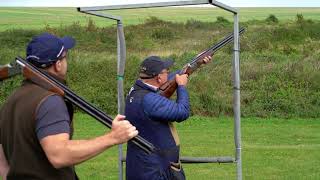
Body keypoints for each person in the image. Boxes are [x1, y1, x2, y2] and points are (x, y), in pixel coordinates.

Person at [0, 33, 138, 180]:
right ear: (58, 65)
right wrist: (112, 137)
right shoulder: (49, 101)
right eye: (65, 57)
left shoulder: (12, 99)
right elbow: (59, 155)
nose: (66, 62)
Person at [125, 55, 211, 180]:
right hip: (154, 170)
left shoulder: (137, 90)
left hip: (143, 164)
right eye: (166, 71)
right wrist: (181, 86)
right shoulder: (150, 100)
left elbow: (173, 78)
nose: (169, 73)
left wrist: (196, 63)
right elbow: (183, 112)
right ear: (159, 78)